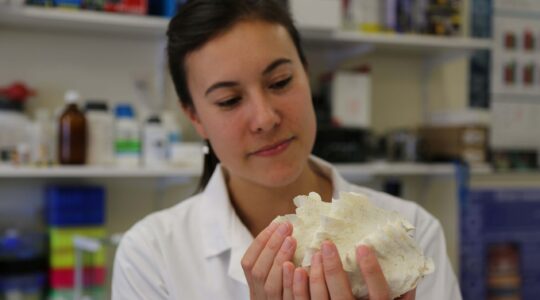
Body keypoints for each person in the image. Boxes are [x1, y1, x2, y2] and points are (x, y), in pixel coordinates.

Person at [112, 0, 462, 299]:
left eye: (280, 82)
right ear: (195, 117)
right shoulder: (151, 253)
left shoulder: (410, 230)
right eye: (229, 100)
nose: (265, 118)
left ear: (306, 75)